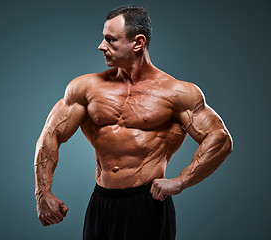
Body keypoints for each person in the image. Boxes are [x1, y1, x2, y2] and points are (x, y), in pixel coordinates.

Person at [34, 5, 232, 240]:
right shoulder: (86, 88)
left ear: (138, 43)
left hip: (147, 203)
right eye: (102, 38)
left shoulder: (177, 93)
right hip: (101, 202)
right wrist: (42, 193)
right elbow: (50, 134)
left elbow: (220, 138)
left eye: (110, 40)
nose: (101, 46)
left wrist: (180, 182)